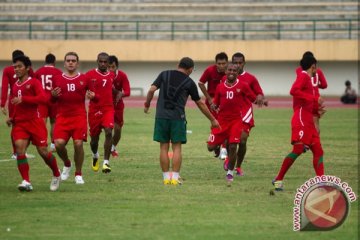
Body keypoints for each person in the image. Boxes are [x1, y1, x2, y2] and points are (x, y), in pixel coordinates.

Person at [144, 57, 219, 185]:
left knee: (163, 147)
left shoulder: (164, 74)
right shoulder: (189, 82)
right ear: (190, 69)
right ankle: (175, 178)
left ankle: (166, 178)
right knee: (177, 147)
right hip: (177, 118)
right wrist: (212, 119)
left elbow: (151, 90)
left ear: (178, 64)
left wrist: (147, 104)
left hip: (161, 117)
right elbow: (200, 103)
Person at [6, 55, 61, 192]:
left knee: (43, 152)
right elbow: (16, 105)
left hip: (35, 122)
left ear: (27, 68)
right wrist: (11, 117)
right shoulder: (15, 86)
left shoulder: (34, 82)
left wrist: (23, 99)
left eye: (19, 66)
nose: (16, 69)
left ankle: (56, 173)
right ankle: (26, 181)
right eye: (15, 67)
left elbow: (42, 98)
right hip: (20, 123)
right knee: (20, 150)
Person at [272, 55, 325, 191]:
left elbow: (307, 102)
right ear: (313, 66)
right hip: (301, 119)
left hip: (309, 122)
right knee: (298, 149)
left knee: (318, 151)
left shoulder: (308, 79)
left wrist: (318, 110)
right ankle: (278, 179)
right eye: (316, 68)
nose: (316, 71)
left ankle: (321, 183)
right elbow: (293, 91)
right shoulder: (303, 76)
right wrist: (314, 98)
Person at [207, 63, 256, 185]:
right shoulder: (220, 87)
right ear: (225, 72)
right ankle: (217, 146)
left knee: (233, 146)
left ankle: (230, 172)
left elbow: (252, 97)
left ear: (237, 72)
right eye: (229, 70)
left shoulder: (243, 86)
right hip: (222, 122)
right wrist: (213, 105)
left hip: (236, 121)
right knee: (210, 147)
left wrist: (259, 99)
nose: (232, 72)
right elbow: (216, 103)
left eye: (234, 70)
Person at [51, 52, 94, 184]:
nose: (70, 62)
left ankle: (78, 174)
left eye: (73, 60)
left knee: (78, 144)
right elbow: (51, 100)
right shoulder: (57, 79)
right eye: (68, 60)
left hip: (79, 116)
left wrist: (93, 96)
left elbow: (94, 95)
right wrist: (52, 95)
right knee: (58, 144)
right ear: (64, 63)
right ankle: (67, 164)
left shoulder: (84, 78)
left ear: (77, 63)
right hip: (62, 117)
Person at [230, 52, 268, 176]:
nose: (237, 65)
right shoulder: (227, 77)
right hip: (229, 114)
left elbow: (259, 93)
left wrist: (260, 97)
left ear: (244, 63)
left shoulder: (251, 78)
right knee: (229, 141)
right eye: (235, 62)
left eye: (240, 63)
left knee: (242, 141)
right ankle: (227, 158)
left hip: (245, 113)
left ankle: (238, 167)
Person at [1, 50, 35, 159]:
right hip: (26, 99)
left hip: (13, 99)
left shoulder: (7, 70)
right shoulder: (27, 68)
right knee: (28, 123)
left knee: (15, 125)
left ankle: (16, 152)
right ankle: (21, 151)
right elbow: (35, 81)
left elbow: (5, 86)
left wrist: (2, 103)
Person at [85, 52, 115, 173]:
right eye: (100, 61)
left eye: (105, 62)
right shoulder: (89, 75)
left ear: (108, 63)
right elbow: (82, 88)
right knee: (94, 140)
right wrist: (88, 94)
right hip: (94, 110)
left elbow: (111, 89)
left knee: (109, 131)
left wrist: (118, 94)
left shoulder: (111, 75)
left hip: (108, 108)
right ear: (97, 61)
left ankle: (106, 163)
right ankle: (95, 155)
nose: (103, 64)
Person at [198, 52, 228, 159]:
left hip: (225, 102)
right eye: (219, 64)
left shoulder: (230, 72)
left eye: (223, 63)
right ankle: (218, 145)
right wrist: (209, 98)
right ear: (216, 63)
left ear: (227, 63)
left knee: (223, 123)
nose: (221, 66)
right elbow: (201, 83)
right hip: (211, 103)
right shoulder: (210, 70)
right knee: (216, 122)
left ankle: (223, 147)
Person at [34, 53, 62, 152]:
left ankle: (42, 142)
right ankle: (53, 145)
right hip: (53, 99)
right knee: (54, 122)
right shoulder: (58, 72)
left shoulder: (38, 72)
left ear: (45, 61)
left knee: (42, 122)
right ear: (54, 62)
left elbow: (34, 85)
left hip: (42, 100)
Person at [296, 51, 327, 133]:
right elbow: (324, 85)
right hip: (317, 98)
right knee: (316, 122)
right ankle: (315, 140)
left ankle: (308, 141)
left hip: (306, 99)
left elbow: (299, 85)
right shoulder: (318, 71)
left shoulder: (299, 70)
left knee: (303, 122)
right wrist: (316, 85)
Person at [108, 55, 131, 158]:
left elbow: (128, 91)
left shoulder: (122, 75)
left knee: (117, 129)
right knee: (107, 129)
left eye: (112, 67)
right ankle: (105, 149)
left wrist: (121, 93)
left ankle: (112, 147)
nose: (110, 69)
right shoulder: (103, 75)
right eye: (109, 67)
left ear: (116, 66)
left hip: (118, 106)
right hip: (105, 106)